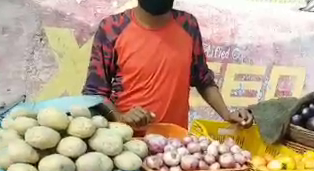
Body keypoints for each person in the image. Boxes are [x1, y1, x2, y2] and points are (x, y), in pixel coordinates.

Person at [82, 0, 253, 132]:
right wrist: (120, 117)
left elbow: (203, 79)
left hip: (175, 149)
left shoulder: (188, 25)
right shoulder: (112, 28)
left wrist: (227, 114)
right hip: (126, 147)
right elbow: (94, 93)